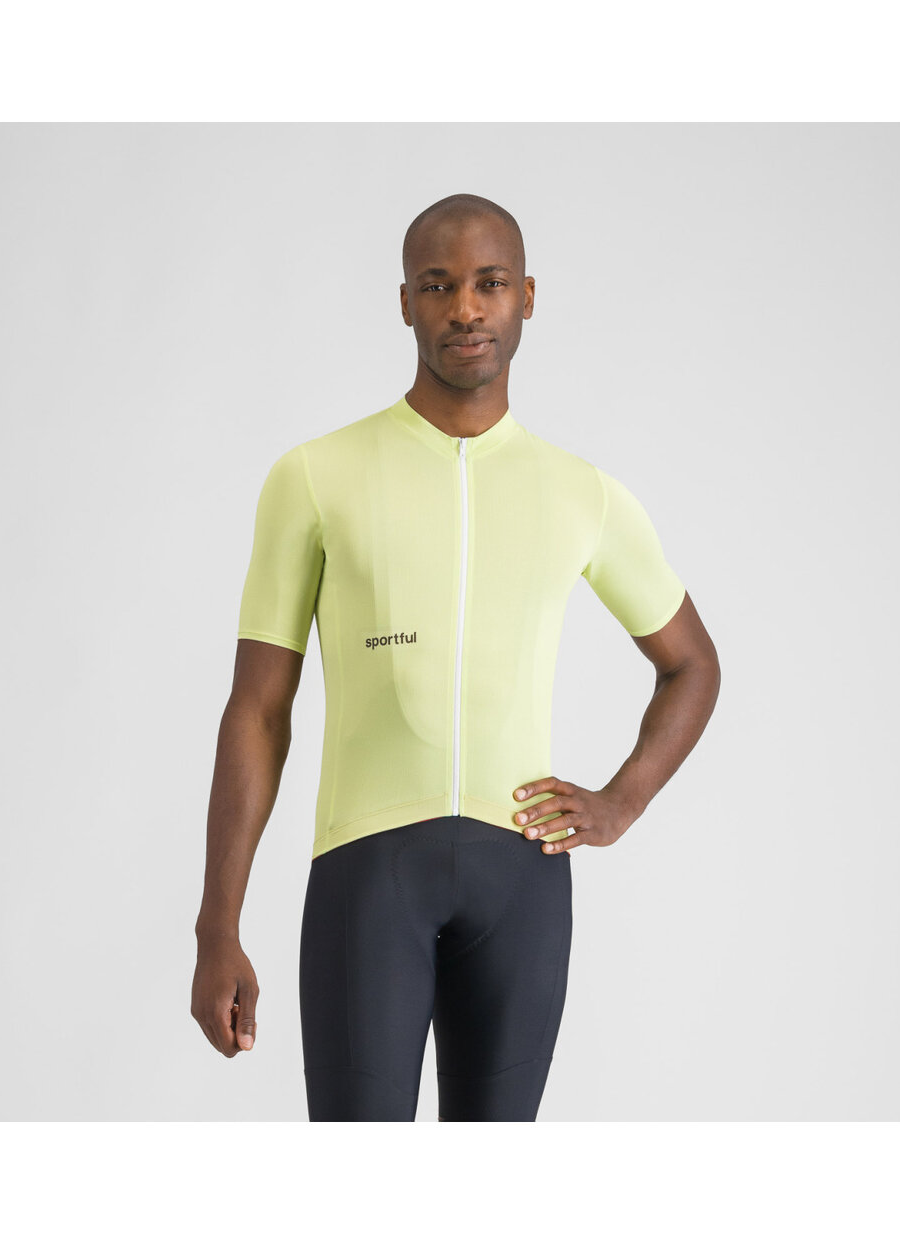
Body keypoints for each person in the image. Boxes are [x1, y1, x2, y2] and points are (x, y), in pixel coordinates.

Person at [190, 193, 721, 1122]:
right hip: (368, 876)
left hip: (523, 881)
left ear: (527, 297)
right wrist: (216, 926)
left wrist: (620, 802)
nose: (465, 309)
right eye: (438, 286)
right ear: (405, 302)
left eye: (489, 284)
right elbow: (258, 710)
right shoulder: (315, 476)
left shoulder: (582, 493)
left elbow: (692, 665)